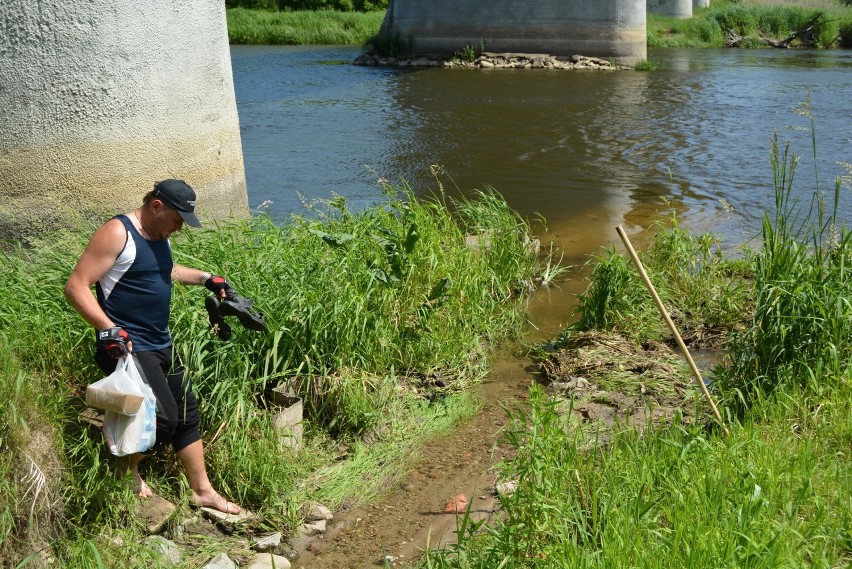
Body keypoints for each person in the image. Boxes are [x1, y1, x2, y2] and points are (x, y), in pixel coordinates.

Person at [64, 179, 241, 514]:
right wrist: (108, 328)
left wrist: (207, 277)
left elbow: (163, 270)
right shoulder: (118, 232)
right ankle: (122, 471)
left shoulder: (159, 236)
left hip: (160, 341)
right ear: (156, 206)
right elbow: (76, 286)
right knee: (164, 419)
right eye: (178, 219)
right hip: (127, 348)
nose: (180, 227)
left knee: (187, 413)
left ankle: (203, 491)